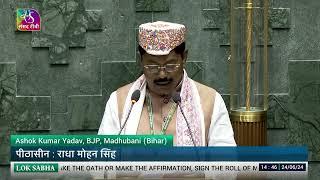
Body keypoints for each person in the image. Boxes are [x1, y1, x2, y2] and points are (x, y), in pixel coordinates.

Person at [98, 21, 236, 146]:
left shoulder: (210, 101)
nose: (162, 74)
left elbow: (227, 165)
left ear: (184, 58)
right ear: (141, 61)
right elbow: (100, 161)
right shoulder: (120, 101)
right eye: (152, 66)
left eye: (170, 65)